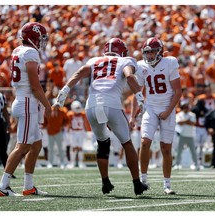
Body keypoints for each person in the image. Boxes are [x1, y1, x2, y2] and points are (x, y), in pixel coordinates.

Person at [54, 38, 148, 195]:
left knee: (103, 143)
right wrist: (139, 96)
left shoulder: (94, 60)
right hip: (112, 104)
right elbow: (130, 77)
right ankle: (137, 184)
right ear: (122, 51)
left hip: (91, 105)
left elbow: (78, 74)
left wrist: (64, 92)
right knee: (127, 143)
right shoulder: (126, 60)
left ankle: (105, 182)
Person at [0, 22, 51, 196]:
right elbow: (35, 86)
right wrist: (47, 105)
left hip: (23, 98)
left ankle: (28, 186)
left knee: (36, 144)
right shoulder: (30, 52)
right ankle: (3, 186)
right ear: (33, 37)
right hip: (28, 101)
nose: (42, 42)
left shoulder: (18, 50)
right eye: (40, 38)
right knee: (23, 146)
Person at [130, 37, 182, 195]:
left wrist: (168, 111)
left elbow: (178, 91)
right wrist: (133, 116)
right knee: (145, 141)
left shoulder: (170, 62)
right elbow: (137, 92)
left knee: (166, 148)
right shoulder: (140, 65)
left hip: (167, 106)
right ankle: (143, 180)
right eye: (147, 52)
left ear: (159, 51)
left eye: (152, 52)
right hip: (151, 107)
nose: (150, 55)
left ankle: (167, 184)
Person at [174, 102, 198, 170]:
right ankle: (177, 164)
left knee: (193, 151)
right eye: (185, 107)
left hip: (190, 135)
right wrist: (187, 121)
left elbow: (193, 123)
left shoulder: (192, 115)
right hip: (182, 135)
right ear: (182, 108)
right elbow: (179, 122)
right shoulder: (179, 114)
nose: (186, 109)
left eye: (187, 107)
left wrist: (184, 122)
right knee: (179, 150)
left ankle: (195, 164)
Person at [66, 100, 90, 168]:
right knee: (73, 148)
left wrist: (87, 131)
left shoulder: (83, 114)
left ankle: (81, 162)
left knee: (80, 148)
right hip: (73, 132)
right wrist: (68, 132)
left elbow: (85, 123)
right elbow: (68, 124)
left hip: (81, 131)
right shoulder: (70, 114)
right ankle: (72, 163)